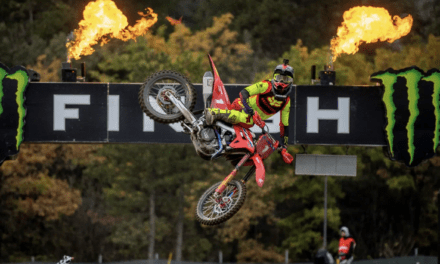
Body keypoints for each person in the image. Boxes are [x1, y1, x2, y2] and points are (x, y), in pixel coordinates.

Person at [204, 59, 294, 159]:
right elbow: (243, 93)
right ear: (274, 77)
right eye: (279, 78)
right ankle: (215, 113)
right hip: (241, 106)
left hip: (250, 117)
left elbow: (284, 125)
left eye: (285, 79)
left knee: (250, 136)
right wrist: (249, 109)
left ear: (291, 82)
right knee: (249, 121)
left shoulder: (286, 102)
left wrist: (284, 146)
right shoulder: (266, 86)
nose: (281, 82)